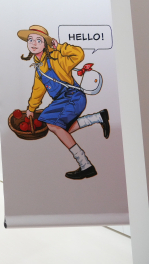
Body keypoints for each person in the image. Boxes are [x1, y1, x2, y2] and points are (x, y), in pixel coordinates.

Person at [18, 25, 110, 180]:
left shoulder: (57, 57)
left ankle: (86, 165)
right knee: (62, 130)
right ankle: (98, 117)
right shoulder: (39, 67)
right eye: (30, 39)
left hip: (73, 96)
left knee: (52, 124)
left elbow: (79, 54)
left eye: (39, 40)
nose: (33, 43)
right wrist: (31, 108)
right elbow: (38, 89)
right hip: (63, 100)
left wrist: (60, 47)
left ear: (45, 44)